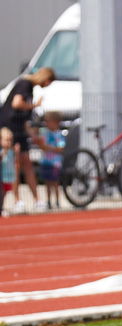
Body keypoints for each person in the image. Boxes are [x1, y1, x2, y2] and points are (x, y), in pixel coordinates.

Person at [0, 67, 55, 213]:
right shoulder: (24, 84)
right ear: (46, 79)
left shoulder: (30, 89)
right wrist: (35, 105)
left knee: (27, 164)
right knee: (15, 165)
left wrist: (33, 136)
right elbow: (16, 104)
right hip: (11, 129)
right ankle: (17, 201)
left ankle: (37, 200)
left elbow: (24, 118)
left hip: (20, 129)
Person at [36, 111, 65, 210]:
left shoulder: (59, 135)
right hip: (46, 162)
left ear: (56, 122)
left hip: (55, 163)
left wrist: (49, 148)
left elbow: (61, 148)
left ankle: (57, 201)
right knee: (47, 183)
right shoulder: (45, 133)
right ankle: (48, 201)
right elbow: (41, 145)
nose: (47, 124)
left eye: (49, 121)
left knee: (55, 183)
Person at [1, 127, 19, 217]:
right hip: (1, 177)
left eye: (10, 140)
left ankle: (2, 207)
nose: (9, 142)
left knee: (4, 193)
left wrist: (17, 152)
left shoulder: (11, 151)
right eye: (6, 140)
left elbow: (15, 162)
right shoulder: (2, 152)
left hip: (7, 176)